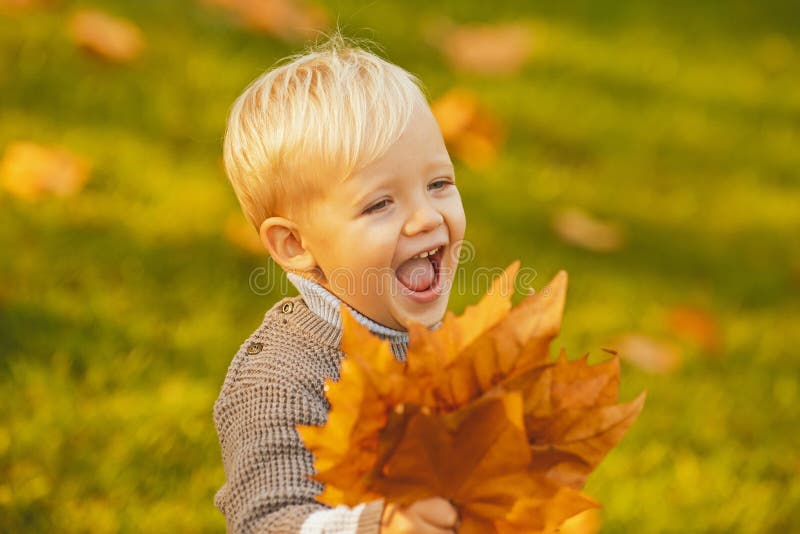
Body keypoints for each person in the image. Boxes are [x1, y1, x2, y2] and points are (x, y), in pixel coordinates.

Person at [213, 30, 466, 533]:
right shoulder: (282, 380)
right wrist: (381, 526)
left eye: (438, 184)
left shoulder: (441, 344)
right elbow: (265, 521)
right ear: (294, 244)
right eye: (379, 204)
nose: (425, 218)